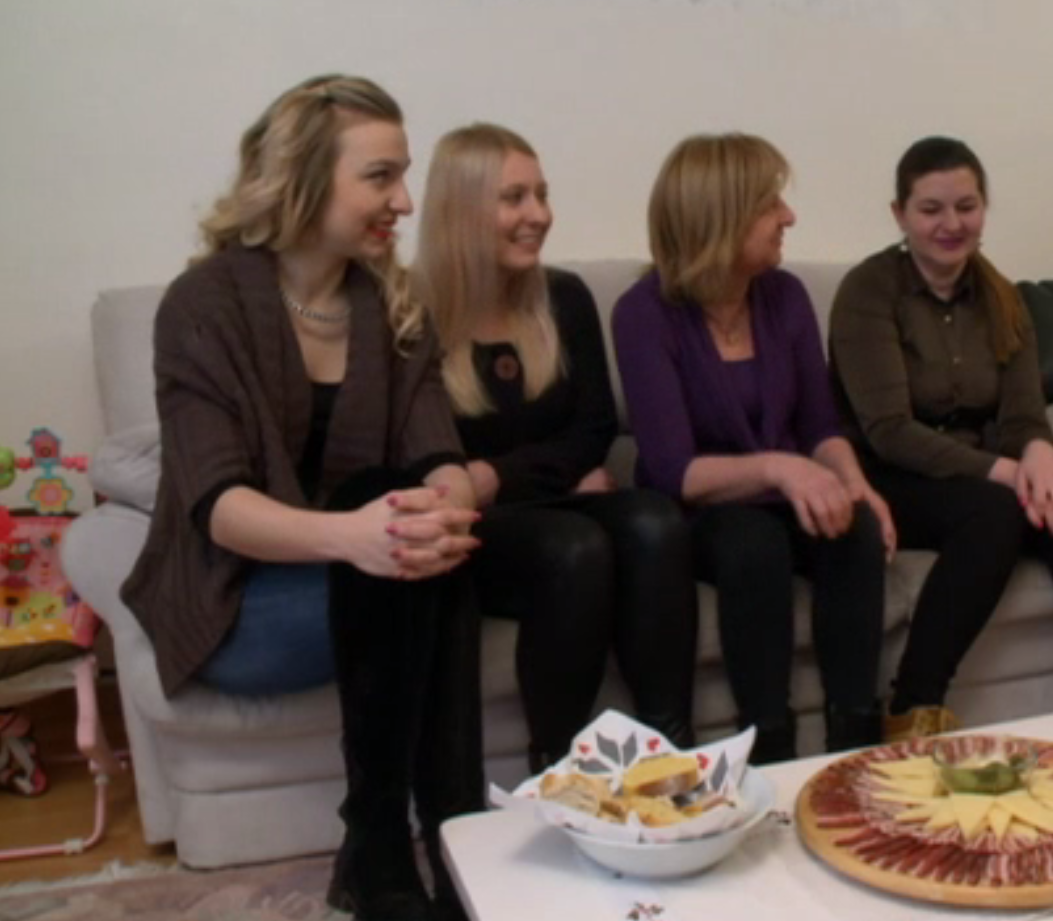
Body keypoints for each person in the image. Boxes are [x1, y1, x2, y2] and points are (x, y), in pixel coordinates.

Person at [120, 75, 484, 921]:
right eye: (381, 176)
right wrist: (359, 536)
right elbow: (217, 505)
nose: (405, 200)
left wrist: (446, 505)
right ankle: (391, 842)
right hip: (238, 593)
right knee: (396, 544)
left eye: (403, 174)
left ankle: (446, 848)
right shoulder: (203, 306)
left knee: (423, 538)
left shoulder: (391, 302)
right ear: (305, 179)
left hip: (367, 569)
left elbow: (440, 453)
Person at [829, 136, 1053, 742]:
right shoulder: (869, 291)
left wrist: (1042, 458)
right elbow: (888, 431)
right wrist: (1010, 473)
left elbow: (1023, 415)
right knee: (1000, 510)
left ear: (984, 208)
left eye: (966, 207)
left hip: (977, 475)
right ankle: (914, 708)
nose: (951, 224)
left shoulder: (1002, 295)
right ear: (899, 215)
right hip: (891, 476)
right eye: (931, 209)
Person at [414, 124, 698, 767]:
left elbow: (594, 428)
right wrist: (545, 479)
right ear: (462, 210)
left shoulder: (564, 297)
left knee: (654, 521)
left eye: (541, 195)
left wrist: (493, 476)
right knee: (575, 547)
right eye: (514, 198)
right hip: (471, 529)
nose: (539, 215)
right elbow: (429, 460)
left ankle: (671, 753)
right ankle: (558, 769)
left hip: (541, 501)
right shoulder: (411, 314)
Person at [612, 133, 894, 763]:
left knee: (855, 530)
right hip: (702, 510)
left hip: (787, 494)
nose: (788, 217)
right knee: (754, 545)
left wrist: (856, 486)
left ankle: (855, 749)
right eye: (771, 204)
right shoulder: (643, 313)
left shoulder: (785, 296)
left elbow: (821, 427)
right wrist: (779, 468)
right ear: (723, 217)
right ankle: (769, 749)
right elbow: (673, 469)